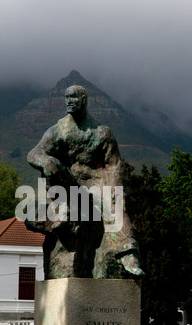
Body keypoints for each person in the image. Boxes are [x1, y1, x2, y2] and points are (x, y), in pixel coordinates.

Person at [26, 85, 144, 279]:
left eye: (74, 97)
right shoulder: (58, 131)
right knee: (60, 183)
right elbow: (34, 154)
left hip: (97, 185)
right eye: (67, 97)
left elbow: (114, 165)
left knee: (115, 201)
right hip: (68, 186)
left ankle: (128, 252)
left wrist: (114, 188)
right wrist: (45, 161)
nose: (69, 101)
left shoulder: (102, 133)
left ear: (84, 100)